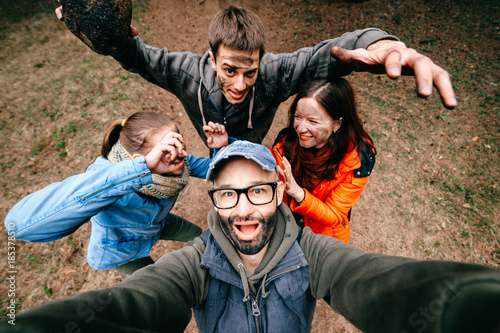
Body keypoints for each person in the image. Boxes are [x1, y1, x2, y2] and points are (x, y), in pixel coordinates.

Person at [2, 141, 499, 333]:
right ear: (213, 198)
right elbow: (137, 303)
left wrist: (462, 305)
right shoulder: (191, 265)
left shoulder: (315, 253)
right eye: (228, 195)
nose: (242, 210)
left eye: (257, 191)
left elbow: (376, 281)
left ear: (281, 191)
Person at [54, 5, 457, 146]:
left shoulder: (275, 74)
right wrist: (103, 30)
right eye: (230, 70)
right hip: (215, 151)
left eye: (250, 71)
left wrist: (381, 43)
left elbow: (328, 54)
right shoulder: (184, 73)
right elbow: (136, 54)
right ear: (211, 58)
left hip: (255, 148)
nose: (241, 84)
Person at [4, 111, 231, 274]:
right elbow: (20, 224)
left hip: (157, 224)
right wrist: (136, 172)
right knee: (157, 279)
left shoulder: (180, 162)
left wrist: (221, 147)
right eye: (166, 151)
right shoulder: (107, 174)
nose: (180, 154)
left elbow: (219, 170)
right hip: (121, 249)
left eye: (177, 142)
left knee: (198, 236)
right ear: (137, 160)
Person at [271, 78, 375, 244]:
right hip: (284, 227)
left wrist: (298, 193)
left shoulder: (356, 161)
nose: (300, 128)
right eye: (297, 116)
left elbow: (334, 215)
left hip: (321, 240)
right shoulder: (285, 142)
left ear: (337, 124)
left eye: (312, 121)